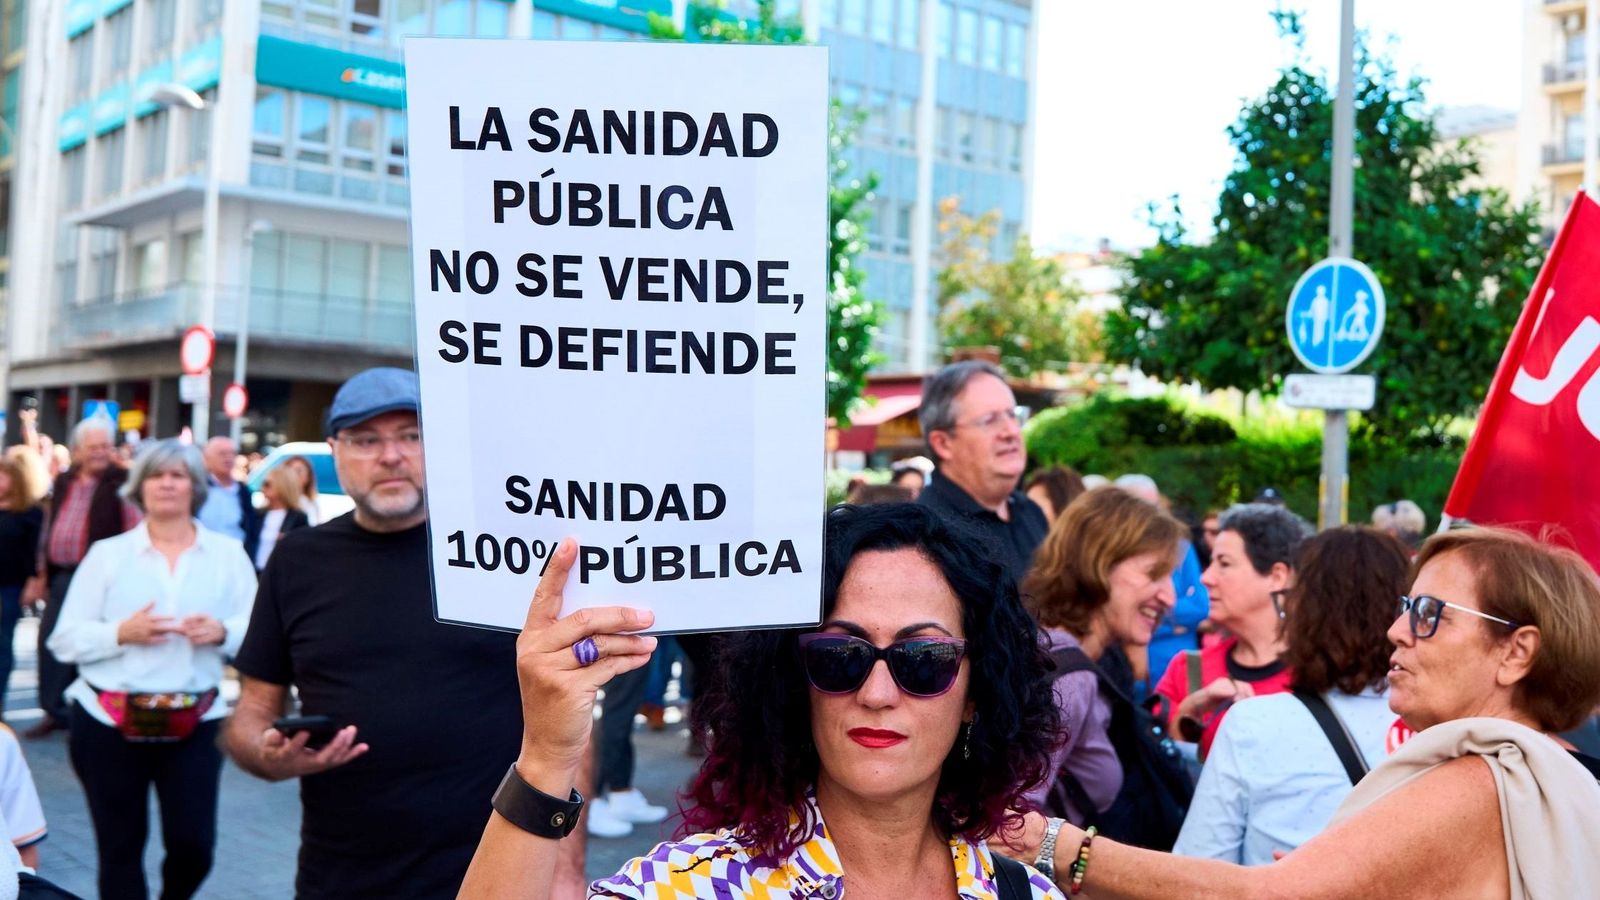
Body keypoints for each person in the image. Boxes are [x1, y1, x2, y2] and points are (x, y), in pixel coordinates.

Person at [458, 503, 1064, 899]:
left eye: (923, 662)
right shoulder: (700, 887)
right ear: (791, 682)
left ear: (975, 695)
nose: (878, 694)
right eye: (839, 658)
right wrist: (544, 757)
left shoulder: (1024, 893)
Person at [998, 526, 1600, 898]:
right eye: (1404, 607)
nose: (1396, 631)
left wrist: (1050, 841)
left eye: (1428, 615)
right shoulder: (1567, 773)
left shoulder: (1483, 777)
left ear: (1516, 652)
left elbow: (1269, 898)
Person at [224, 367, 525, 899]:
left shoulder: (501, 556)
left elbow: (567, 718)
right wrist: (266, 755)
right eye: (367, 440)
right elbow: (252, 711)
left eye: (413, 436)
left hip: (495, 871)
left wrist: (567, 862)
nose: (391, 456)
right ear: (335, 452)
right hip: (342, 874)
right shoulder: (298, 560)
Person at [47, 439, 256, 900]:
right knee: (119, 849)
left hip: (196, 719)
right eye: (157, 475)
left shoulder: (227, 555)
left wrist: (222, 631)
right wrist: (120, 632)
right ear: (140, 488)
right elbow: (63, 640)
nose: (167, 483)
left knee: (194, 845)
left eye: (178, 475)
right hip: (108, 719)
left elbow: (260, 632)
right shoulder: (108, 554)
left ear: (195, 487)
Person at [1173, 527, 1411, 864]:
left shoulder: (1253, 724)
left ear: (1308, 613)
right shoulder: (1438, 727)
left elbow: (1199, 869)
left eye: (1288, 600)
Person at [1020, 487, 1193, 849]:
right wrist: (1083, 867)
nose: (1170, 597)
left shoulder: (1068, 652)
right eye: (1154, 573)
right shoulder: (1070, 676)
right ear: (1099, 562)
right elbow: (1011, 827)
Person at [1153, 503, 1311, 759]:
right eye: (1211, 562)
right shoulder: (1187, 670)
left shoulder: (1318, 674)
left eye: (1224, 564)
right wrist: (1185, 723)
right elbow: (1155, 779)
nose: (1206, 578)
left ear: (1277, 577)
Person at [24, 418, 140, 738]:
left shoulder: (123, 480)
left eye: (106, 446)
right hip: (62, 575)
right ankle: (53, 710)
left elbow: (134, 528)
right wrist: (41, 573)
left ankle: (87, 712)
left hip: (103, 579)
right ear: (78, 450)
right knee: (51, 641)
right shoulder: (64, 480)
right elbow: (50, 528)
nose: (101, 453)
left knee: (93, 642)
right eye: (94, 447)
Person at [916, 360, 1047, 585]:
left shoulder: (1030, 512)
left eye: (1013, 415)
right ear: (943, 444)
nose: (1011, 431)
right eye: (989, 421)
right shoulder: (926, 533)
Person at [0, 458, 42, 716]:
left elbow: (34, 552)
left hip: (10, 587)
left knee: (2, 645)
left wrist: (34, 583)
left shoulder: (29, 512)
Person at [196, 436, 261, 560]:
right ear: (206, 458)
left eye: (232, 453)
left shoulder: (242, 491)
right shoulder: (197, 489)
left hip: (236, 557)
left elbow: (251, 528)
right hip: (202, 557)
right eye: (222, 453)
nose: (228, 458)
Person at [251, 465, 309, 573]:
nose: (263, 488)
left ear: (282, 486)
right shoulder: (257, 515)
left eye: (267, 484)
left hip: (280, 575)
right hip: (254, 573)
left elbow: (304, 551)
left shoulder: (298, 518)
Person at [283, 456, 321, 525]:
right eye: (290, 471)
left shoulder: (312, 504)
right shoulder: (278, 503)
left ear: (309, 476)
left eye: (298, 471)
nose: (293, 475)